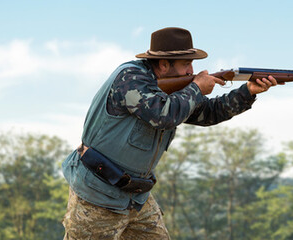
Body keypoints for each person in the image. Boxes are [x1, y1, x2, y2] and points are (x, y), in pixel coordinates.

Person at [60, 27, 280, 239]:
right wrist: (196, 88)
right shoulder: (130, 78)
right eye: (186, 64)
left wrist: (248, 92)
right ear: (164, 64)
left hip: (136, 196)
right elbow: (163, 115)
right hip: (97, 195)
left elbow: (209, 113)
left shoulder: (175, 91)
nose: (192, 71)